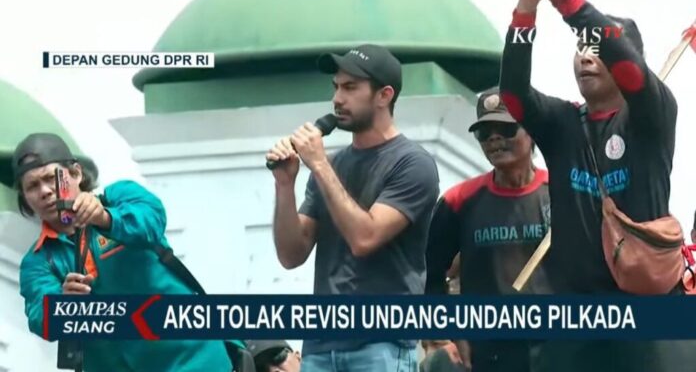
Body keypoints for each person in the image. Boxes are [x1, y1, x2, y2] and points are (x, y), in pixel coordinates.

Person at [499, 0, 694, 370]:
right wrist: (525, 11)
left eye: (596, 47)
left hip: (649, 317)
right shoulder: (561, 124)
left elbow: (629, 66)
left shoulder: (653, 115)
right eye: (580, 48)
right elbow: (513, 96)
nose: (586, 56)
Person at [266, 44, 440, 372]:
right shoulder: (331, 166)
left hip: (382, 344)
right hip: (320, 346)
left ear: (384, 95)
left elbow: (365, 238)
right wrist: (284, 185)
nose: (337, 99)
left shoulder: (413, 164)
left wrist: (317, 163)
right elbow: (291, 254)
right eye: (335, 87)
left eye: (350, 88)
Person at [15, 133, 232, 371]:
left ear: (76, 173)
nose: (45, 191)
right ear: (25, 197)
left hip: (194, 359)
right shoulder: (38, 260)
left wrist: (106, 218)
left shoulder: (120, 196)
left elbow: (151, 222)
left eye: (50, 178)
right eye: (32, 186)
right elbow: (40, 318)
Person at [425, 88, 552, 372]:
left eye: (506, 128)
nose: (495, 138)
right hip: (488, 354)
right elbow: (429, 276)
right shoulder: (457, 202)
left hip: (558, 349)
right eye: (485, 132)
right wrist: (451, 334)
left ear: (530, 131)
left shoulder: (564, 194)